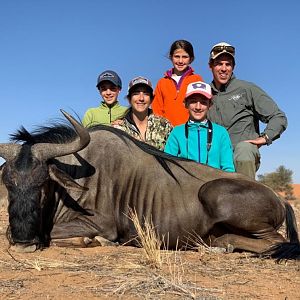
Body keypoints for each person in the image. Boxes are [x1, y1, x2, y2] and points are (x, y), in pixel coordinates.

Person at [207, 42, 288, 179]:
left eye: (228, 64)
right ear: (211, 66)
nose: (224, 68)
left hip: (242, 156)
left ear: (233, 67)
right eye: (219, 64)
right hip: (215, 158)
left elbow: (278, 117)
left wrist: (265, 137)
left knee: (243, 150)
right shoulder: (204, 94)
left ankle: (247, 198)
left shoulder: (247, 89)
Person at [164, 81, 235, 172]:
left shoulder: (221, 132)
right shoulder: (177, 132)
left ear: (210, 105)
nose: (198, 107)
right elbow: (167, 166)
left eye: (203, 102)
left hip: (215, 184)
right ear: (186, 104)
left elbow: (228, 168)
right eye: (193, 101)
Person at [112, 76, 172, 151]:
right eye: (136, 93)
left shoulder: (164, 126)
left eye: (146, 94)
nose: (141, 98)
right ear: (129, 99)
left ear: (151, 99)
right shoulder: (118, 129)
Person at [152, 39, 203, 126]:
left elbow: (201, 107)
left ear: (191, 59)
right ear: (171, 57)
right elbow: (157, 111)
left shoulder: (196, 80)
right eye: (177, 56)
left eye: (184, 57)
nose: (180, 61)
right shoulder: (162, 82)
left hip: (190, 130)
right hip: (167, 134)